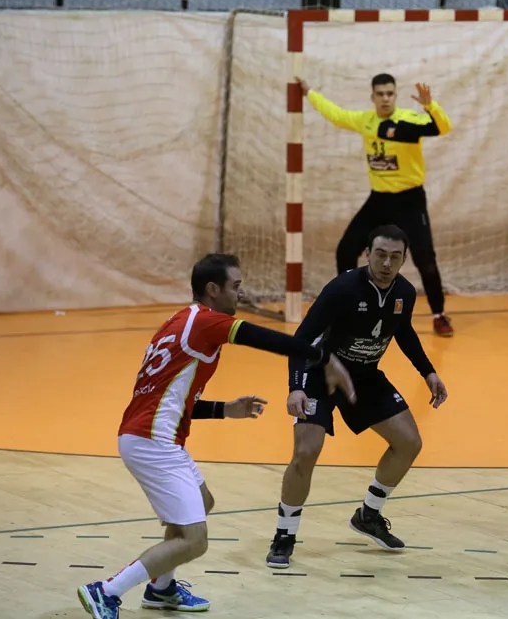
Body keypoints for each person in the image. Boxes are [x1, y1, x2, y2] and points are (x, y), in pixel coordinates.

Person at [77, 253, 356, 619]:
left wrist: (226, 409)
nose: (241, 294)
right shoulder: (207, 322)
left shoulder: (178, 321)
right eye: (235, 286)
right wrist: (322, 358)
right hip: (152, 442)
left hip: (150, 435)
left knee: (201, 501)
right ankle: (107, 591)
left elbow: (175, 400)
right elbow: (262, 338)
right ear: (213, 289)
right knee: (195, 540)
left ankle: (160, 588)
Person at [265, 224, 449, 569]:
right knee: (306, 452)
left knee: (409, 443)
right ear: (367, 254)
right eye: (380, 254)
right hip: (321, 375)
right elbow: (301, 339)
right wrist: (296, 387)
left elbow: (404, 331)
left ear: (404, 259)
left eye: (395, 257)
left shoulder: (404, 292)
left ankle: (368, 515)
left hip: (364, 377)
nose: (386, 263)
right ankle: (284, 534)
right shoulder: (342, 289)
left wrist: (428, 372)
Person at [296, 73, 456, 338]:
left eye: (389, 93)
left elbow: (443, 127)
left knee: (425, 259)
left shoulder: (407, 120)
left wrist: (430, 106)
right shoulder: (365, 121)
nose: (385, 98)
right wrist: (309, 92)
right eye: (380, 94)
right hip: (379, 199)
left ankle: (439, 315)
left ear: (395, 96)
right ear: (372, 97)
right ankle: (349, 306)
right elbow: (336, 115)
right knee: (346, 250)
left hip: (410, 200)